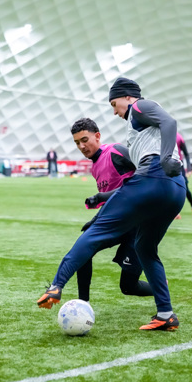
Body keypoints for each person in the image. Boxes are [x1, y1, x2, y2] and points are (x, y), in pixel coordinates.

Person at [37, 77, 186, 331]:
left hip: (152, 179)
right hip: (175, 190)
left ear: (127, 97)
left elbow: (170, 122)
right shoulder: (138, 126)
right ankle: (166, 314)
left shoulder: (139, 107)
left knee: (94, 232)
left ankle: (56, 286)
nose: (115, 112)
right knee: (145, 248)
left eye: (114, 104)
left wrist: (164, 159)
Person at [71, 117, 152, 302]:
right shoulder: (94, 167)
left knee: (128, 286)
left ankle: (161, 288)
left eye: (85, 140)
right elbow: (114, 200)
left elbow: (146, 175)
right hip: (116, 222)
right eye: (77, 143)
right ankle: (83, 304)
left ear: (97, 136)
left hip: (138, 225)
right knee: (83, 249)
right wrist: (95, 219)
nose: (82, 146)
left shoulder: (116, 151)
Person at [174, 132, 192, 219]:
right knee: (171, 189)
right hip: (168, 165)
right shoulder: (163, 135)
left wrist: (189, 169)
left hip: (179, 165)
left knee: (185, 189)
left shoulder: (179, 137)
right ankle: (175, 212)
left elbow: (186, 154)